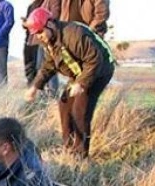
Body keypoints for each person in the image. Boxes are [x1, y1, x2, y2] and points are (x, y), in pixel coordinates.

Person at [23, 7, 114, 158]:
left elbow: (94, 60)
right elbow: (49, 66)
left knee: (80, 111)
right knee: (64, 105)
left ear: (50, 24)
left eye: (40, 32)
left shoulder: (73, 34)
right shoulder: (50, 41)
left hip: (99, 70)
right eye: (35, 34)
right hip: (80, 72)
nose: (38, 37)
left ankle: (80, 156)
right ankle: (69, 148)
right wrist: (35, 87)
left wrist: (81, 84)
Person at [23, 0, 60, 94]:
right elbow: (31, 26)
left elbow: (54, 17)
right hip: (33, 41)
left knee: (48, 66)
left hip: (47, 38)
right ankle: (40, 95)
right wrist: (27, 24)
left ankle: (53, 94)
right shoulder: (31, 6)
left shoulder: (52, 1)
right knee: (36, 68)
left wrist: (41, 22)